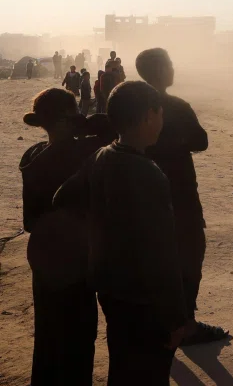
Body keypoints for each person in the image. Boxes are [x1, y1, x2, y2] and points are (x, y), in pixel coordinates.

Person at [54, 81, 188, 384]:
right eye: (160, 115)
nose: (162, 122)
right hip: (145, 299)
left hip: (110, 288)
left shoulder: (101, 156)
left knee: (122, 368)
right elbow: (163, 254)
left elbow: (61, 198)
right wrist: (177, 318)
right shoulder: (149, 174)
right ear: (148, 116)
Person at [19, 89, 115, 386]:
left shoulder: (33, 154)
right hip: (75, 261)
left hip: (43, 256)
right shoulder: (82, 153)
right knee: (78, 338)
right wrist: (85, 123)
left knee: (48, 335)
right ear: (65, 121)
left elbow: (30, 222)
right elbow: (113, 130)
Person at [135, 48, 228, 346]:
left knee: (152, 258)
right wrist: (175, 143)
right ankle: (184, 324)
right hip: (180, 195)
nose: (174, 69)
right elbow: (201, 141)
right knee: (188, 256)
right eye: (170, 64)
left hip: (141, 196)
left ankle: (157, 322)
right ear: (161, 70)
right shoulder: (175, 105)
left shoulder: (130, 105)